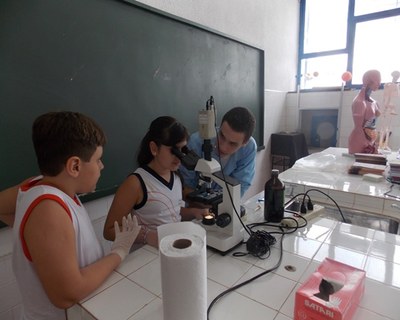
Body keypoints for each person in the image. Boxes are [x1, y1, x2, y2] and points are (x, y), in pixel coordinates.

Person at [12, 111, 140, 320]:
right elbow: (67, 294)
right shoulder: (48, 209)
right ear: (75, 166)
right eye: (98, 160)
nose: (102, 166)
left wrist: (37, 241)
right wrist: (119, 252)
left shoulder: (40, 185)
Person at [103, 116, 209, 248]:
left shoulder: (175, 176)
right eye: (174, 150)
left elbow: (169, 213)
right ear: (154, 148)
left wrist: (193, 212)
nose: (180, 157)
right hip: (147, 256)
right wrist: (146, 236)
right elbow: (109, 231)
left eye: (183, 150)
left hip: (172, 249)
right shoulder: (136, 183)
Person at [180, 106, 257, 198]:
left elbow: (241, 185)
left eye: (232, 144)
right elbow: (185, 186)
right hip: (194, 206)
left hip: (225, 201)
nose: (223, 147)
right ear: (219, 127)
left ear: (245, 143)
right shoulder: (195, 143)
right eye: (221, 136)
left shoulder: (249, 148)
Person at [348, 69, 381, 154]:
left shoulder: (375, 102)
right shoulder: (359, 102)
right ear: (369, 81)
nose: (379, 84)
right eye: (377, 81)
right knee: (356, 166)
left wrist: (373, 141)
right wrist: (367, 144)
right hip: (359, 141)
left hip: (370, 141)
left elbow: (372, 125)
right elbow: (359, 127)